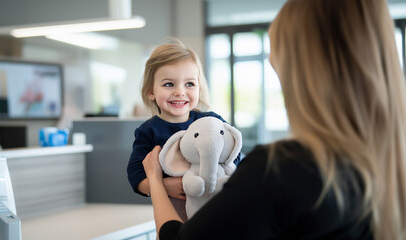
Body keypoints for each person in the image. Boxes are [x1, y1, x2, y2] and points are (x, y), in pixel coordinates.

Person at [142, 0, 406, 239]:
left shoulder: (278, 173)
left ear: (302, 67)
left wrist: (155, 179)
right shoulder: (381, 166)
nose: (270, 61)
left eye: (276, 51)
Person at [127, 40, 240, 222]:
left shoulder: (212, 122)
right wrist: (163, 186)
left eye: (189, 84)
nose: (180, 91)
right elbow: (135, 174)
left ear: (199, 88)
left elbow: (235, 155)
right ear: (151, 91)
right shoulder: (148, 131)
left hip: (218, 214)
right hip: (174, 217)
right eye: (169, 84)